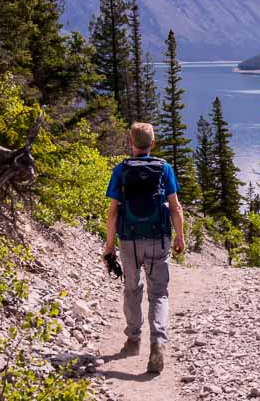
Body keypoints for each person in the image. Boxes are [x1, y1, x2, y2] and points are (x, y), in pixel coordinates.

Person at [103, 122, 185, 374]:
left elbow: (113, 212)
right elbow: (175, 207)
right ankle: (158, 342)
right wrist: (180, 236)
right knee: (158, 293)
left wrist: (109, 246)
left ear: (130, 144)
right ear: (152, 144)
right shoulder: (164, 168)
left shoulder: (121, 170)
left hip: (129, 239)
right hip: (158, 237)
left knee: (131, 287)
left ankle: (133, 339)